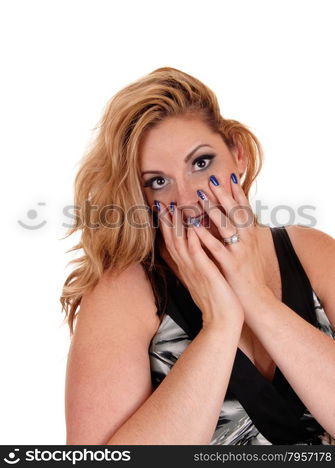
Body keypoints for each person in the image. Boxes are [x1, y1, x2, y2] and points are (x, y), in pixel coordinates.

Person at [60, 66, 335, 445]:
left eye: (201, 163)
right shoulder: (125, 294)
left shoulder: (311, 252)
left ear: (237, 153)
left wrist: (255, 298)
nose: (188, 200)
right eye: (158, 182)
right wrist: (220, 324)